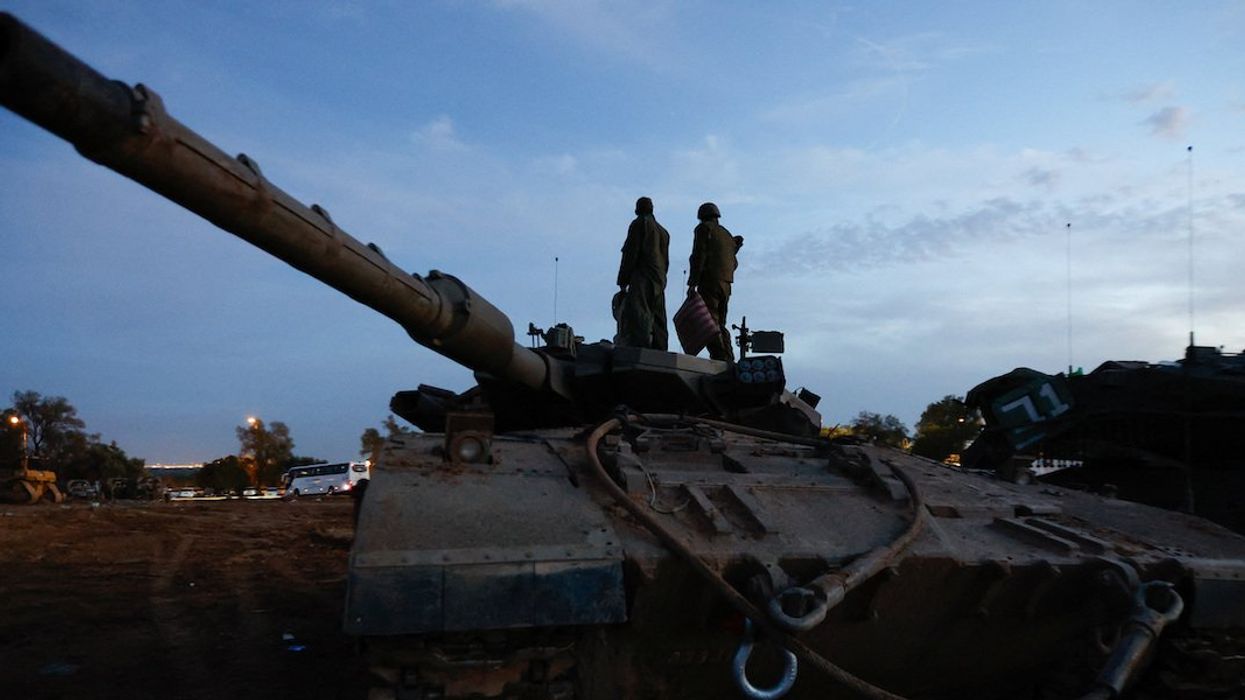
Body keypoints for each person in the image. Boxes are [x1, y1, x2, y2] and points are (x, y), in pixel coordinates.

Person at [687, 201, 743, 362]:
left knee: (709, 322)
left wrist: (692, 283)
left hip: (709, 282)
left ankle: (719, 357)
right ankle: (727, 357)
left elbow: (699, 255)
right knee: (720, 324)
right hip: (726, 284)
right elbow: (734, 263)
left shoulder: (703, 229)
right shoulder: (726, 234)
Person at [615, 196, 670, 350]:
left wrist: (623, 279)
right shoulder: (663, 232)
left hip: (643, 275)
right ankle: (660, 349)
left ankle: (640, 349)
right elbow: (666, 261)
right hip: (659, 278)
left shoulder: (639, 224)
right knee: (658, 316)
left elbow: (631, 253)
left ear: (638, 209)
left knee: (638, 312)